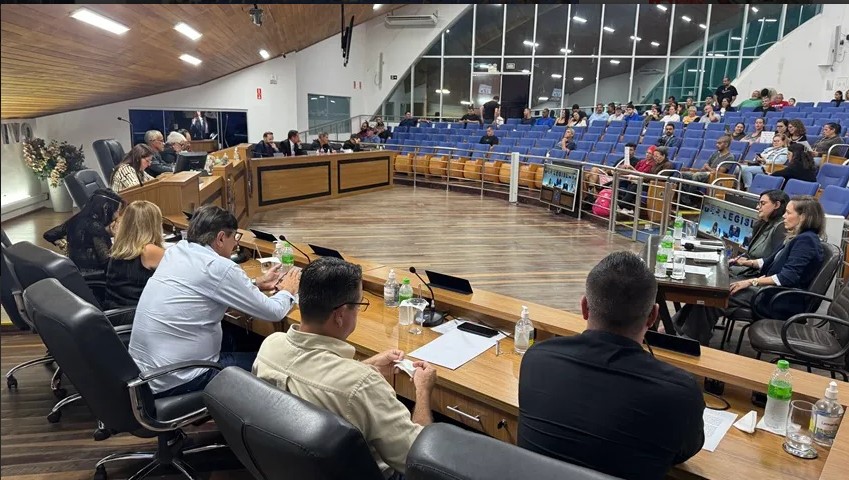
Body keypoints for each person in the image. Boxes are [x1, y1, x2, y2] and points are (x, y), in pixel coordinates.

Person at [518, 252, 704, 480]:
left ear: (584, 307)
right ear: (653, 317)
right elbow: (683, 451)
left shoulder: (536, 358)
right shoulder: (681, 393)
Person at [254, 257, 437, 479]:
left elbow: (314, 374)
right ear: (340, 315)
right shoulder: (363, 385)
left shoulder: (270, 345)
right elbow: (418, 462)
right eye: (359, 305)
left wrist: (366, 366)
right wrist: (422, 391)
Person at [128, 205, 300, 397]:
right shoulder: (219, 267)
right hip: (181, 378)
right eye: (235, 237)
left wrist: (255, 283)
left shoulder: (176, 252)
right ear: (220, 238)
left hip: (146, 375)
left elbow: (204, 285)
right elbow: (273, 312)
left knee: (245, 338)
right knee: (274, 364)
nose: (235, 244)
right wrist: (288, 290)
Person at [674, 196, 825, 345]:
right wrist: (745, 262)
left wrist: (751, 282)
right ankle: (676, 328)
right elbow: (768, 261)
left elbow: (787, 277)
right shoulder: (799, 237)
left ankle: (690, 342)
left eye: (789, 213)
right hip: (771, 291)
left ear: (803, 217)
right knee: (709, 290)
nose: (784, 216)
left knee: (715, 295)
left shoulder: (806, 241)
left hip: (778, 299)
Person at [43, 188, 126, 276]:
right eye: (117, 210)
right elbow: (108, 263)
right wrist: (117, 238)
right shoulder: (96, 227)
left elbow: (49, 234)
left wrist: (62, 243)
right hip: (94, 275)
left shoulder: (76, 219)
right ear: (106, 208)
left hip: (77, 271)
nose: (117, 215)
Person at [104, 200, 165, 310]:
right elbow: (182, 270)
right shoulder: (149, 251)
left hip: (115, 310)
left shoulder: (119, 247)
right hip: (138, 313)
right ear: (154, 225)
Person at [729, 190, 789, 278]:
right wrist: (743, 259)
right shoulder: (763, 223)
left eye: (763, 203)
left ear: (776, 205)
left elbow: (774, 262)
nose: (757, 207)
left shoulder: (781, 227)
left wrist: (747, 262)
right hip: (748, 270)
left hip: (758, 276)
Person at [680, 136, 734, 206]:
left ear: (726, 144)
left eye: (719, 143)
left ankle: (690, 199)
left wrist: (708, 168)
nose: (717, 145)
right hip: (707, 173)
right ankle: (683, 200)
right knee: (683, 174)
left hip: (715, 177)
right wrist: (706, 168)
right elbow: (706, 165)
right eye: (717, 143)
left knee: (697, 176)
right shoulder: (715, 154)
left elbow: (719, 172)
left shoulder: (729, 157)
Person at [618, 146, 674, 215]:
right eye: (654, 156)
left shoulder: (668, 165)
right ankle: (628, 207)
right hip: (650, 183)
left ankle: (621, 204)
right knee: (632, 185)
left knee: (636, 186)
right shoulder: (656, 164)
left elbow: (661, 178)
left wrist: (643, 178)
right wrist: (641, 178)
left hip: (658, 186)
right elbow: (650, 175)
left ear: (663, 156)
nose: (655, 158)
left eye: (657, 156)